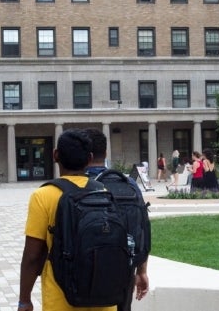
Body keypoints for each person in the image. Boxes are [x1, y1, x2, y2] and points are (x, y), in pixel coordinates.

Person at [19, 129, 148, 311]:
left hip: (62, 300)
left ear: (56, 155)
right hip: (104, 298)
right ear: (89, 158)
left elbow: (32, 256)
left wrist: (24, 299)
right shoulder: (104, 192)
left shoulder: (43, 195)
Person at [84, 128, 150, 311]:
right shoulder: (128, 184)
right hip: (123, 269)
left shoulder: (76, 185)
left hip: (84, 271)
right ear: (105, 153)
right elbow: (141, 226)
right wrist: (142, 270)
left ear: (85, 155)